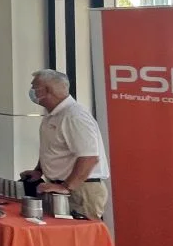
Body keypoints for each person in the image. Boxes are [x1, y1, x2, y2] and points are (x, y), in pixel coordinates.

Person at [21, 69, 110, 219]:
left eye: (34, 87)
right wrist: (39, 170)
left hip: (80, 190)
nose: (32, 91)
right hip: (59, 188)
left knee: (78, 233)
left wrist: (66, 187)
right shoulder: (53, 114)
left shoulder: (74, 116)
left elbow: (89, 158)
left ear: (48, 90)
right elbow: (51, 148)